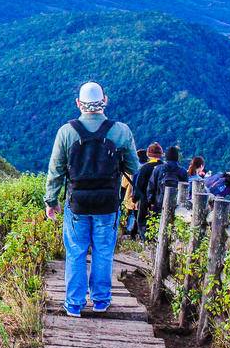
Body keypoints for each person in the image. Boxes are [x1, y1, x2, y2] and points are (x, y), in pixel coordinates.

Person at [45, 82, 140, 315]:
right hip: (107, 203)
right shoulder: (120, 131)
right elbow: (133, 167)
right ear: (104, 101)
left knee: (76, 252)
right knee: (103, 251)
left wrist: (51, 200)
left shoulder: (66, 132)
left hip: (77, 203)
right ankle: (100, 300)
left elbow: (55, 171)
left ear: (79, 104)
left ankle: (74, 304)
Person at [131, 142, 163, 239]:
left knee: (142, 221)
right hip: (159, 200)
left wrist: (135, 198)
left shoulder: (144, 168)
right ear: (161, 154)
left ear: (148, 154)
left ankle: (145, 240)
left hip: (144, 199)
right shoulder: (163, 167)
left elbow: (138, 185)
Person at [149, 145, 190, 213]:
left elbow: (151, 187)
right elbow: (185, 190)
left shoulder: (158, 169)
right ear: (177, 157)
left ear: (166, 157)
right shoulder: (183, 171)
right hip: (176, 206)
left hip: (159, 203)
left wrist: (151, 202)